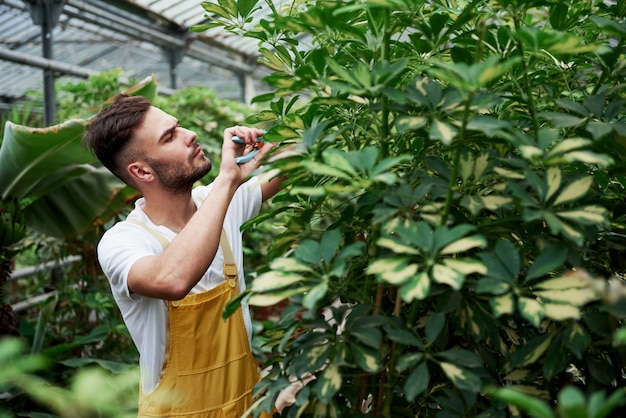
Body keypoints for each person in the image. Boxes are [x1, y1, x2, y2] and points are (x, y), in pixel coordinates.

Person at [83, 94, 283, 417]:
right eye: (170, 136)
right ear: (142, 172)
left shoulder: (217, 203)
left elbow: (296, 161)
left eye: (178, 126)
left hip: (248, 406)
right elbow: (173, 278)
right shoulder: (122, 241)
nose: (189, 134)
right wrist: (227, 180)